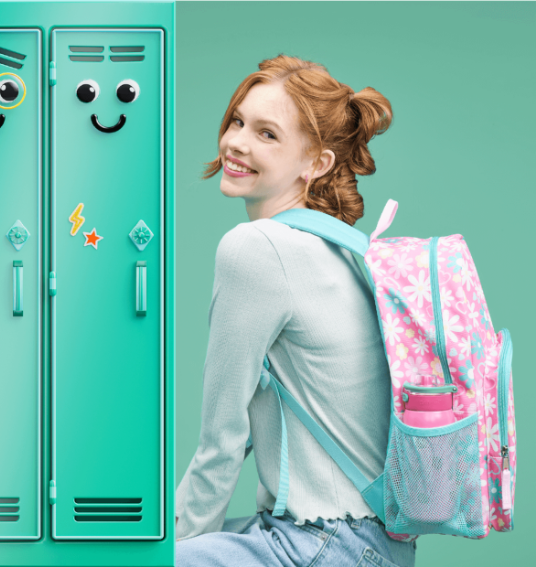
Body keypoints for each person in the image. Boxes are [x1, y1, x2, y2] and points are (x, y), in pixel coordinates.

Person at [175, 54, 416, 567]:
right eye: (237, 121)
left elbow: (222, 437)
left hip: (324, 545)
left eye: (267, 134)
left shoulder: (256, 247)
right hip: (377, 547)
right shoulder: (341, 250)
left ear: (317, 164)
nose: (237, 142)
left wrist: (173, 549)